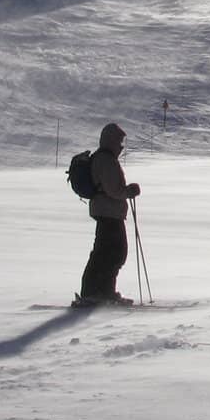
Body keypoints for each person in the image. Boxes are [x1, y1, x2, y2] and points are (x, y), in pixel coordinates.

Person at [77, 122, 140, 305]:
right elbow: (113, 189)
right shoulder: (105, 160)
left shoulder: (104, 158)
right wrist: (129, 191)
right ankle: (98, 293)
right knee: (113, 253)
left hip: (107, 212)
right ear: (111, 140)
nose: (121, 145)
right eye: (119, 141)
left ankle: (99, 291)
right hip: (108, 212)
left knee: (108, 252)